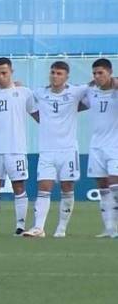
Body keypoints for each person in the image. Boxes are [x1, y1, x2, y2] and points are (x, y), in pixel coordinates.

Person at [23, 61, 88, 238]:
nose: (55, 76)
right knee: (44, 187)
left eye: (59, 73)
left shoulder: (75, 92)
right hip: (47, 150)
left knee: (67, 187)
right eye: (52, 72)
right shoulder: (40, 93)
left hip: (68, 150)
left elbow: (95, 89)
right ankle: (38, 228)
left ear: (67, 76)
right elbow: (26, 99)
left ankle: (61, 228)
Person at [0, 57, 37, 236]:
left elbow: (37, 115)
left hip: (16, 149)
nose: (1, 76)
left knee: (19, 186)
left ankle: (20, 226)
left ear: (11, 72)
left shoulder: (24, 93)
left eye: (4, 72)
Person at [82, 58, 117, 238]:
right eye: (94, 73)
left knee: (115, 185)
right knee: (103, 187)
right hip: (96, 146)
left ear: (110, 73)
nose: (97, 76)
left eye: (100, 73)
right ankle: (109, 228)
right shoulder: (90, 92)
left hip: (115, 146)